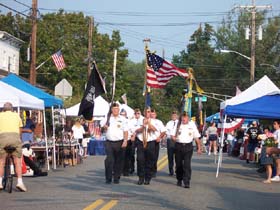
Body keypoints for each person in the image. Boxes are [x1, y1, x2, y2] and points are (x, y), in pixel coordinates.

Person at [0, 102, 27, 192]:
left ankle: (0, 182)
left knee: (1, 161)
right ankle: (19, 182)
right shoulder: (16, 116)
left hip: (3, 138)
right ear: (12, 109)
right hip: (15, 138)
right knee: (17, 161)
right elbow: (20, 131)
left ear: (3, 109)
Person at [171, 112, 202, 188]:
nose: (184, 119)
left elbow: (196, 137)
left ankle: (186, 181)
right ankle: (179, 179)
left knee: (187, 165)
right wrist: (174, 138)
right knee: (178, 165)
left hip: (188, 146)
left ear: (188, 118)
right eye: (183, 117)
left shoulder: (192, 125)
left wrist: (199, 148)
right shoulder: (178, 124)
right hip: (178, 146)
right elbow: (172, 135)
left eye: (185, 117)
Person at [101, 103, 128, 184]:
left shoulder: (123, 119)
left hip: (119, 142)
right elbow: (102, 130)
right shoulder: (107, 118)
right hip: (109, 142)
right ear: (111, 110)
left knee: (118, 161)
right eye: (114, 109)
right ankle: (108, 178)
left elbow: (125, 131)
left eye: (117, 109)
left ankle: (116, 177)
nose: (116, 110)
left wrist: (125, 140)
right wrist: (104, 127)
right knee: (109, 160)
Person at [135, 107, 157, 185]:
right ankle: (141, 177)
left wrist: (149, 124)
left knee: (149, 161)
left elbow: (155, 130)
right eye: (146, 112)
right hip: (141, 142)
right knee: (140, 160)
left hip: (150, 142)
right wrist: (143, 126)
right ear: (144, 113)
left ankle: (147, 178)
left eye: (149, 112)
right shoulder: (139, 120)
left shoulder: (155, 121)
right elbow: (136, 130)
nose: (147, 113)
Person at [150, 109, 166, 178]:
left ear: (156, 115)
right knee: (147, 157)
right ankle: (147, 170)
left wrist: (159, 137)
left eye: (153, 114)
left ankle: (153, 171)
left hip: (155, 141)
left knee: (154, 157)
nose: (152, 115)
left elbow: (163, 131)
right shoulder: (146, 120)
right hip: (147, 141)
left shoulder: (159, 122)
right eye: (151, 114)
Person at [165, 111, 178, 176]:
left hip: (177, 141)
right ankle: (171, 170)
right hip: (170, 141)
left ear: (177, 116)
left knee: (177, 157)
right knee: (170, 157)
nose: (174, 117)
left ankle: (177, 170)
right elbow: (166, 131)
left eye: (175, 116)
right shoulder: (169, 123)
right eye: (173, 116)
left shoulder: (179, 123)